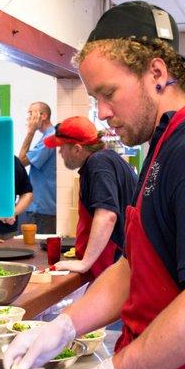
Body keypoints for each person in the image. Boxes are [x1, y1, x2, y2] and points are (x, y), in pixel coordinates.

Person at [2, 1, 185, 369]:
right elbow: (131, 268)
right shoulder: (163, 148)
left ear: (157, 72)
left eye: (108, 93)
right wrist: (62, 327)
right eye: (95, 99)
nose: (102, 112)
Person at [43, 116, 137, 277]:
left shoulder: (98, 163)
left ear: (77, 149)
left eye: (61, 147)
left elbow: (107, 215)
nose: (60, 152)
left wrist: (84, 262)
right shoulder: (106, 159)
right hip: (113, 263)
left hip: (111, 266)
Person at [18, 102, 57, 233]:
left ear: (43, 116)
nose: (29, 118)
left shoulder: (50, 138)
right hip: (42, 207)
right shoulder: (47, 136)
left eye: (31, 113)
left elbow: (21, 161)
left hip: (41, 209)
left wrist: (30, 132)